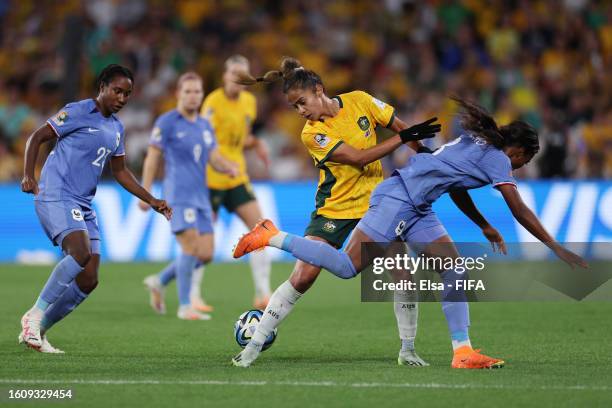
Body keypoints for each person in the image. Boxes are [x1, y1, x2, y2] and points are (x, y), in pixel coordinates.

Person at [234, 97, 588, 369]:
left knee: (453, 268)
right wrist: (555, 246)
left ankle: (462, 351)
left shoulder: (476, 141)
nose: (521, 166)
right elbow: (519, 208)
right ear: (518, 150)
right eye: (524, 160)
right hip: (398, 199)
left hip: (420, 205)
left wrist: (482, 224)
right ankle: (271, 235)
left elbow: (452, 183)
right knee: (345, 268)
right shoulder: (496, 157)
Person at [231, 57, 441, 367]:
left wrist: (426, 156)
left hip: (377, 205)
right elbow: (358, 158)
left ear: (319, 90)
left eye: (302, 102)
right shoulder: (311, 133)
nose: (301, 111)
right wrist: (403, 139)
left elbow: (400, 126)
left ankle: (408, 350)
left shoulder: (361, 100)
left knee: (403, 275)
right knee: (303, 276)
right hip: (334, 209)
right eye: (295, 108)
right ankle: (254, 346)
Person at [19, 64, 172, 353]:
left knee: (89, 279)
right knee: (80, 252)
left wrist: (151, 199)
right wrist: (29, 174)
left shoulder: (116, 128)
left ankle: (38, 331)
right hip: (57, 194)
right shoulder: (77, 111)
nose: (122, 98)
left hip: (83, 203)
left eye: (127, 94)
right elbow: (37, 137)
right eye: (117, 91)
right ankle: (34, 315)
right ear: (102, 87)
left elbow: (121, 171)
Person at [140, 72, 238, 320]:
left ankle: (159, 281)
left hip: (201, 196)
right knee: (190, 246)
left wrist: (227, 166)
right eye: (188, 92)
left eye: (197, 92)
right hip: (177, 195)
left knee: (205, 254)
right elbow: (152, 158)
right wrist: (146, 193)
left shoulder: (205, 125)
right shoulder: (167, 122)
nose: (193, 96)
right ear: (178, 94)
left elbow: (213, 156)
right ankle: (185, 306)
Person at [200, 55, 272, 310]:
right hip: (211, 176)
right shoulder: (212, 102)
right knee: (203, 238)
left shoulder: (250, 103)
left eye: (243, 76)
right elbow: (206, 141)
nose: (237, 80)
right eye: (234, 74)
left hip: (237, 176)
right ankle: (194, 296)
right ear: (225, 76)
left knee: (261, 231)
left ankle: (263, 294)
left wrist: (257, 143)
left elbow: (241, 138)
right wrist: (223, 163)